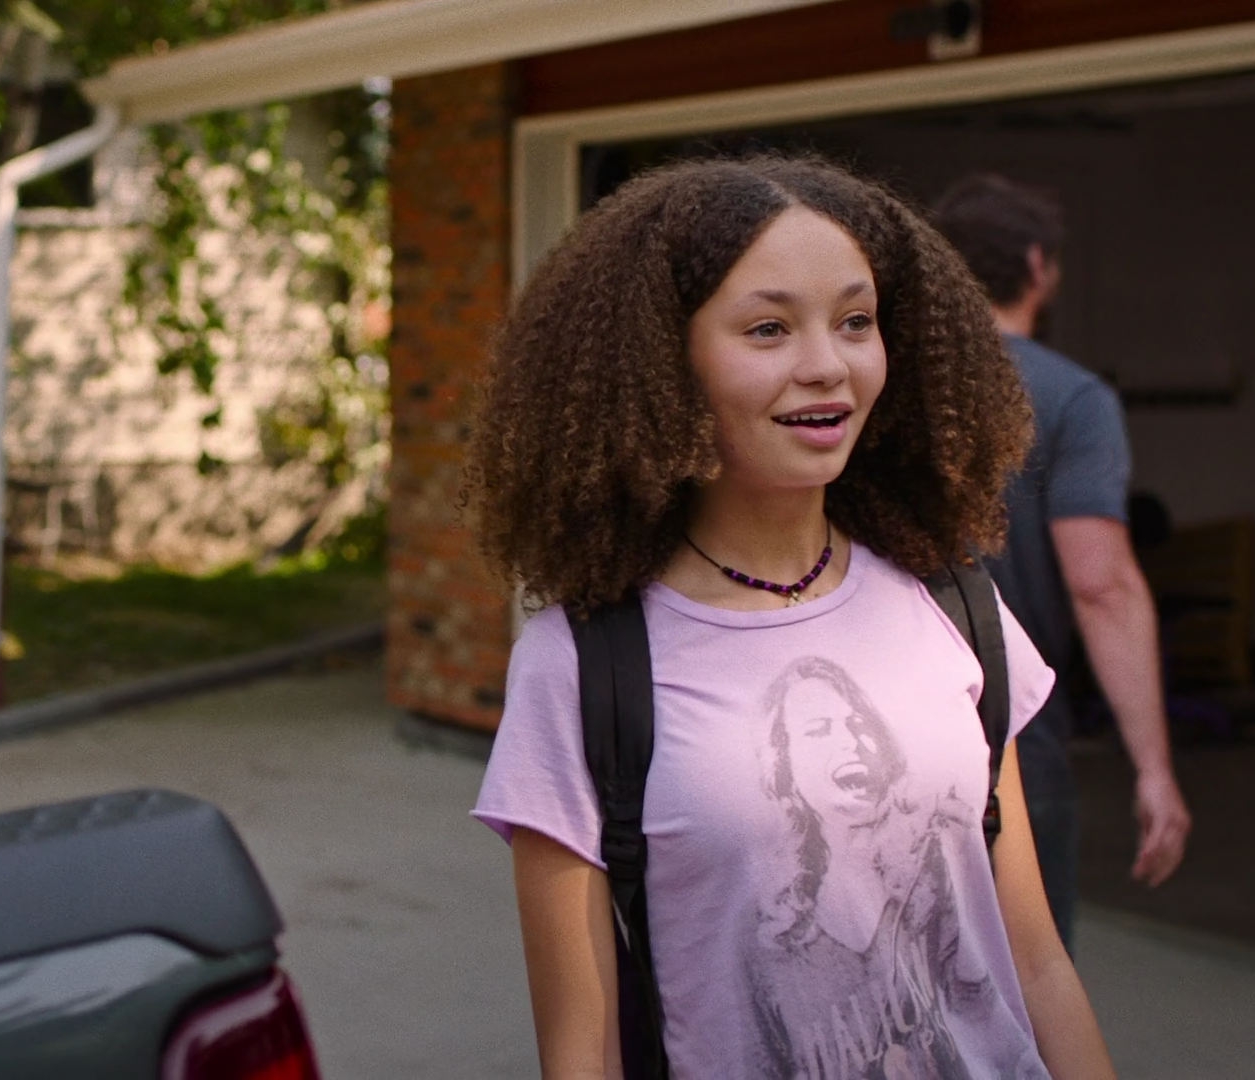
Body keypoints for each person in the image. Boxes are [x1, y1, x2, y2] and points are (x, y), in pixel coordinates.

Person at [465, 154, 1114, 1078]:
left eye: (856, 322)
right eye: (768, 328)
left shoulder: (953, 603)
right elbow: (584, 1048)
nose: (827, 366)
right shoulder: (583, 663)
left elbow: (1037, 965)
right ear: (662, 365)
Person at [931, 175, 1192, 954]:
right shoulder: (1072, 399)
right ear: (1038, 265)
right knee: (1028, 981)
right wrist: (1153, 768)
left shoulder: (876, 381)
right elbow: (1100, 584)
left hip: (875, 731)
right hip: (1015, 736)